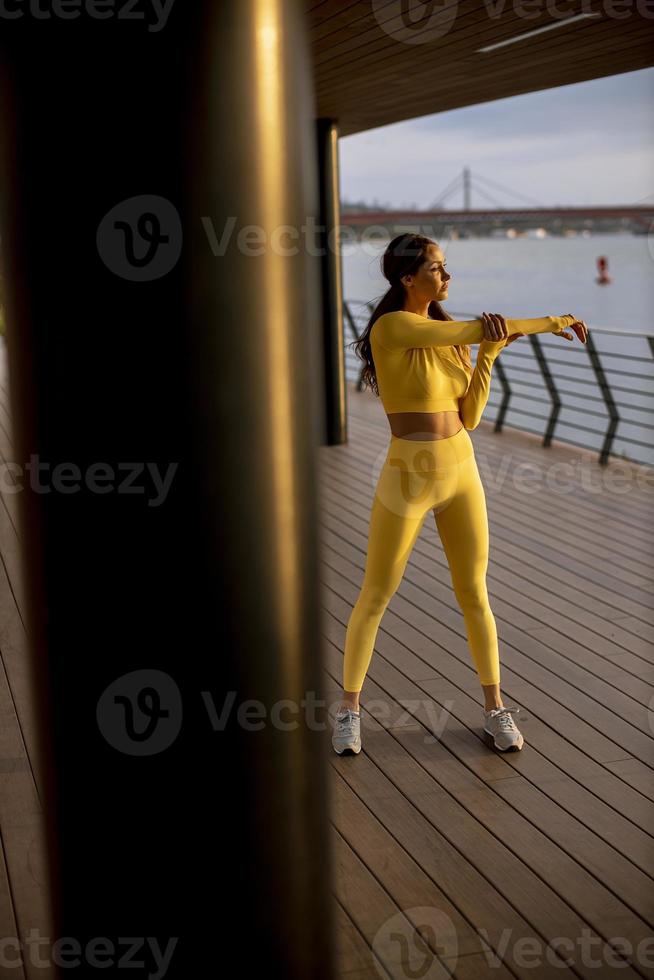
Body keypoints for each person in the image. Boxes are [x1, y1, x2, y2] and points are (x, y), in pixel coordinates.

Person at [332, 233, 588, 756]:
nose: (447, 276)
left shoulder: (448, 337)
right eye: (437, 267)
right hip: (407, 477)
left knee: (475, 593)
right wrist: (557, 320)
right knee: (376, 594)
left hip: (461, 471)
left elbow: (469, 416)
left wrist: (489, 353)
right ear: (408, 278)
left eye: (447, 267)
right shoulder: (394, 327)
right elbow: (486, 323)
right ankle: (349, 712)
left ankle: (496, 709)